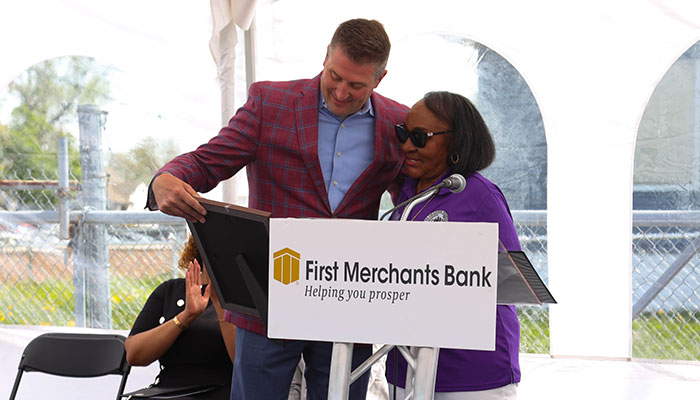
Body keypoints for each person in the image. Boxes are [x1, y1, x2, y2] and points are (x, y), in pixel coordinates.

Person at [146, 18, 408, 400]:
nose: (340, 91)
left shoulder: (397, 123)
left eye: (356, 85)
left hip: (349, 295)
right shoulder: (270, 102)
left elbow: (417, 196)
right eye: (334, 75)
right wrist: (164, 180)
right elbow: (207, 161)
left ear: (380, 79)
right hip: (269, 290)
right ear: (325, 58)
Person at [386, 91, 521, 399]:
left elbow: (512, 280)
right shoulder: (406, 195)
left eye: (420, 137)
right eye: (404, 134)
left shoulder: (480, 196)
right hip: (404, 368)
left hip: (469, 375)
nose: (407, 145)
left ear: (457, 142)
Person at [125, 236, 236, 399]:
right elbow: (134, 354)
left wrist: (220, 302)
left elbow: (245, 365)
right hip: (167, 393)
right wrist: (186, 316)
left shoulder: (246, 299)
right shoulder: (170, 290)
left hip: (221, 392)